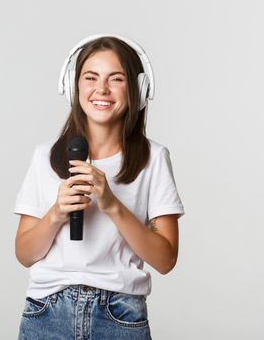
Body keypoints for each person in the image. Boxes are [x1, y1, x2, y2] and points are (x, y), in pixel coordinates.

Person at [14, 34, 185, 339]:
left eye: (116, 79)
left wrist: (113, 206)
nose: (102, 89)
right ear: (72, 85)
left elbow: (165, 259)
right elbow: (25, 254)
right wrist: (56, 213)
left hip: (119, 315)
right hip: (48, 312)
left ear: (138, 90)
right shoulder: (45, 156)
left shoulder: (154, 159)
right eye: (91, 77)